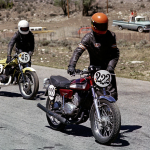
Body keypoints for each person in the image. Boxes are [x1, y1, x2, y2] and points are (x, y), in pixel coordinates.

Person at [67, 13, 120, 100]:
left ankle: (111, 113)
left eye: (103, 25)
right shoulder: (88, 37)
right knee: (94, 96)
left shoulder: (111, 36)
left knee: (112, 96)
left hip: (108, 71)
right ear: (93, 25)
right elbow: (78, 51)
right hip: (95, 69)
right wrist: (72, 65)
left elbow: (115, 53)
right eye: (99, 26)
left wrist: (111, 66)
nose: (101, 28)